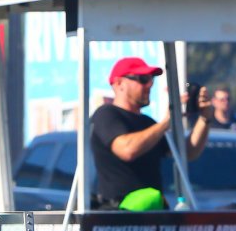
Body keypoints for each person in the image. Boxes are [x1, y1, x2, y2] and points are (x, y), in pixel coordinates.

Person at [89, 56, 212, 210]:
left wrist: (205, 118)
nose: (149, 85)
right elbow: (127, 150)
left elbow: (187, 153)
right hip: (120, 213)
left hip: (152, 211)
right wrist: (167, 122)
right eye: (143, 79)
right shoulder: (106, 114)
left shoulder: (148, 123)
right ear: (119, 83)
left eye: (151, 79)